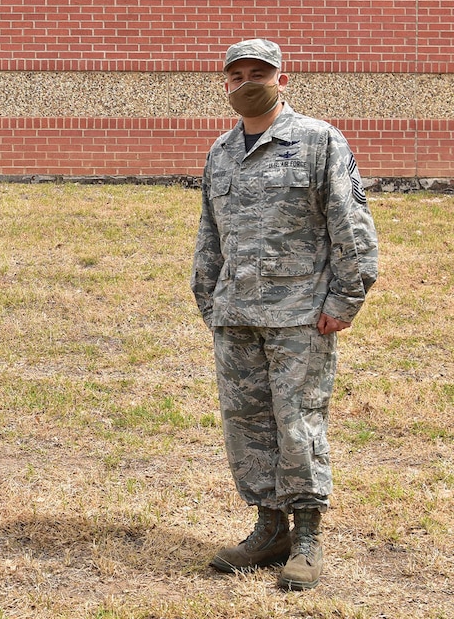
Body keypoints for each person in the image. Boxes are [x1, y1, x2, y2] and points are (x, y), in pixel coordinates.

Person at [191, 38, 379, 591]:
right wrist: (210, 300)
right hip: (236, 316)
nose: (248, 83)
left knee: (298, 423)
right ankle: (269, 528)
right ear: (225, 84)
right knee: (247, 426)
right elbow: (210, 233)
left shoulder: (319, 140)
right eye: (238, 75)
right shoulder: (221, 151)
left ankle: (307, 537)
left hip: (300, 316)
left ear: (282, 79)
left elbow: (352, 225)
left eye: (260, 73)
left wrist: (345, 300)